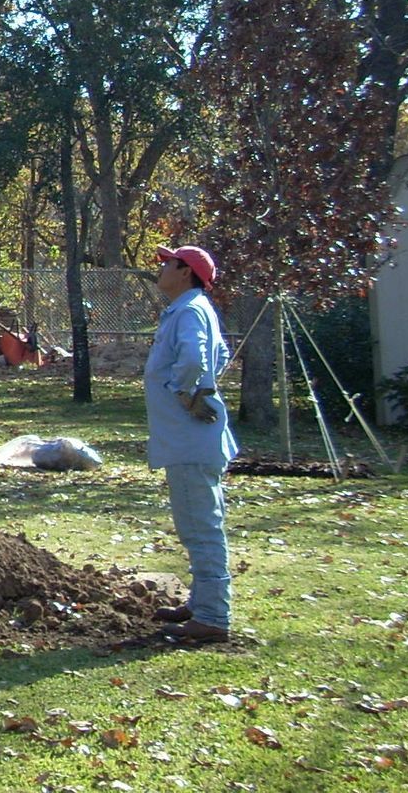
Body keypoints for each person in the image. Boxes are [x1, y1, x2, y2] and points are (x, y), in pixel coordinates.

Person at [146, 244, 238, 645]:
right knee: (199, 524)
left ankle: (213, 616)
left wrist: (186, 393)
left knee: (201, 528)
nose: (162, 268)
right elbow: (221, 355)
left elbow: (196, 357)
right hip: (190, 440)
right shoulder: (192, 308)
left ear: (186, 272)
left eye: (168, 263)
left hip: (189, 440)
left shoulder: (188, 310)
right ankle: (202, 601)